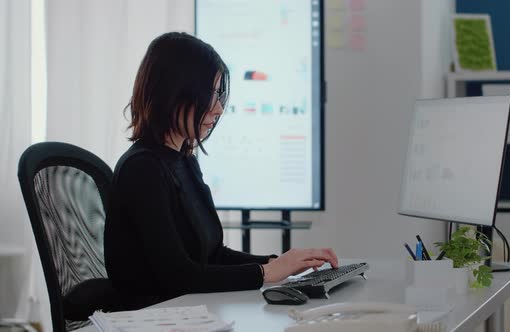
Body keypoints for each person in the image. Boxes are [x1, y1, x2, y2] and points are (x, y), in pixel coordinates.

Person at [104, 32, 338, 300]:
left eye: (218, 95)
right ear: (174, 92)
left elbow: (213, 255)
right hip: (152, 317)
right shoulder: (142, 169)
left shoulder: (184, 160)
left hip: (186, 312)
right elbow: (178, 277)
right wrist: (266, 273)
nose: (218, 109)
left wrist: (280, 263)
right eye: (210, 95)